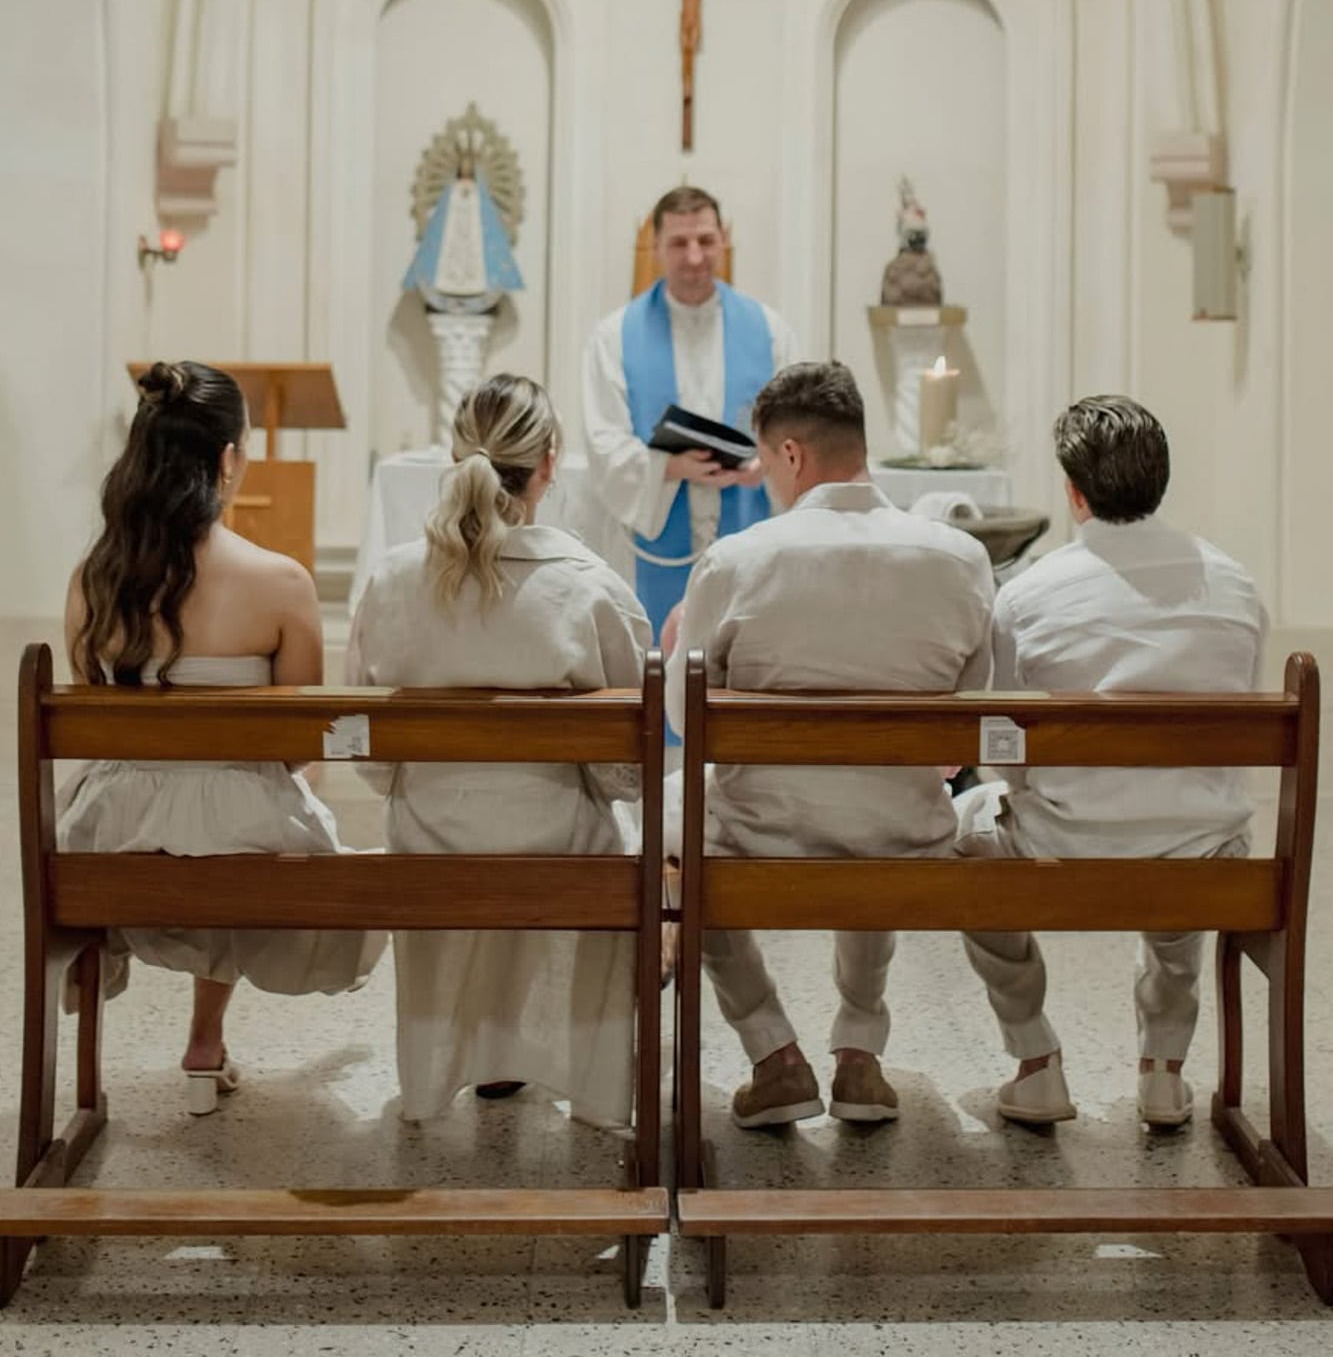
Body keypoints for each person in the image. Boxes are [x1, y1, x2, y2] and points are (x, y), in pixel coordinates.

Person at [666, 361, 993, 1129]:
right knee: (873, 798)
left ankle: (772, 1054)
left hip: (761, 835)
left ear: (787, 455)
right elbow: (975, 708)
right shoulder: (957, 558)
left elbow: (684, 713)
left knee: (671, 843)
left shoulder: (740, 559)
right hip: (903, 835)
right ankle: (858, 1054)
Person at [61, 361, 384, 1117]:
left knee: (184, 802)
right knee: (249, 803)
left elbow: (91, 703)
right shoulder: (280, 581)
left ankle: (87, 1072)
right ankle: (206, 1038)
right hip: (243, 845)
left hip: (111, 840)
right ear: (229, 458)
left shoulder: (94, 578)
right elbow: (298, 744)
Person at [346, 373, 651, 1128]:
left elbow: (371, 757)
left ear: (454, 457)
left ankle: (456, 1067)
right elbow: (624, 768)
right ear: (550, 462)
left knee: (441, 819)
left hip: (429, 844)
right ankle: (561, 1063)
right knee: (613, 828)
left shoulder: (389, 580)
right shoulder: (588, 588)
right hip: (560, 848)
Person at [957, 394, 1267, 1130]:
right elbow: (1237, 724)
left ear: (1073, 491)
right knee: (1188, 821)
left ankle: (1035, 1061)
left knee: (959, 839)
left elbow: (1004, 743)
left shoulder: (1026, 595)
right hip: (1201, 856)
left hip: (1062, 848)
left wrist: (1037, 793)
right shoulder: (1233, 584)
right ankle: (1162, 1071)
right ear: (1159, 480)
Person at [583, 185, 799, 639]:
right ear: (656, 248)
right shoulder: (615, 335)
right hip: (658, 543)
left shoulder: (771, 331)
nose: (695, 256)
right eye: (679, 243)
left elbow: (796, 431)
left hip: (749, 521)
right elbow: (604, 442)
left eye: (706, 240)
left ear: (724, 241)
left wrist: (768, 464)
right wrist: (670, 466)